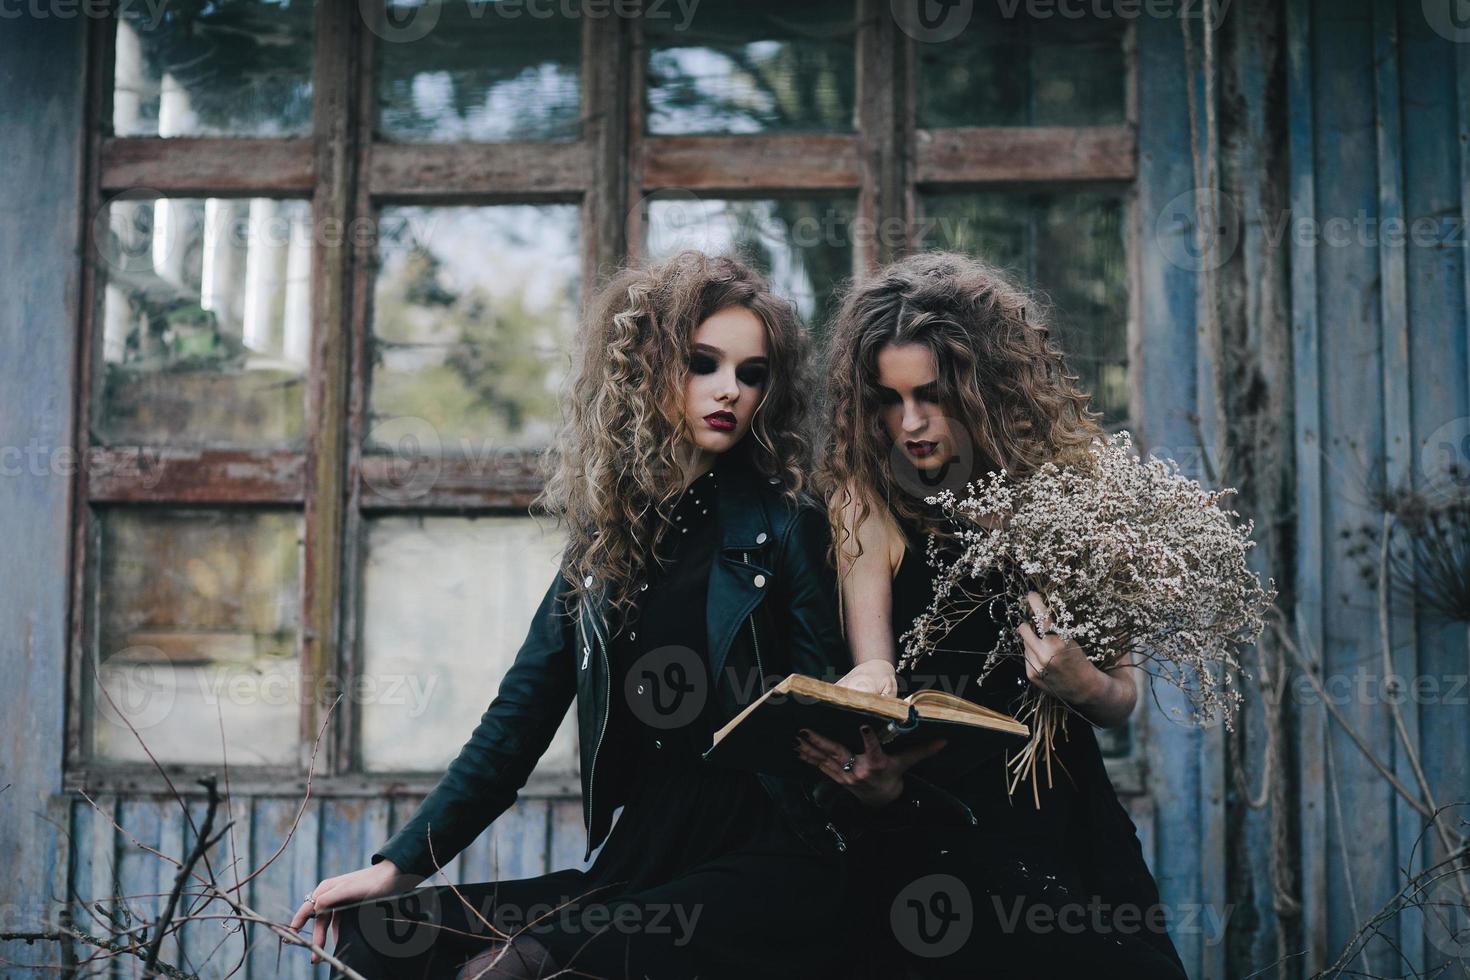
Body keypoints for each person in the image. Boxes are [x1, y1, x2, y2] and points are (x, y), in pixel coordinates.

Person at [290, 251, 855, 979]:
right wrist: (400, 865)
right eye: (703, 363)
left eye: (751, 374)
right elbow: (516, 723)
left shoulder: (785, 527)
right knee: (382, 936)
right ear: (647, 369)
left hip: (763, 859)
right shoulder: (606, 545)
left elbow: (827, 701)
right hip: (643, 852)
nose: (729, 391)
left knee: (515, 968)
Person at [801, 251, 1189, 978]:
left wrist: (1078, 681)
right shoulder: (867, 497)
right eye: (888, 399)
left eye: (931, 395)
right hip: (938, 823)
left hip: (1065, 813)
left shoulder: (1079, 494)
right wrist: (869, 688)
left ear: (986, 388)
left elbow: (1120, 701)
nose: (910, 421)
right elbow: (873, 655)